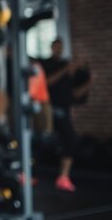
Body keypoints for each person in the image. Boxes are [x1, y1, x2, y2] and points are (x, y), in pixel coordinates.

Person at [40, 38, 81, 192]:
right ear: (52, 47)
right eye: (56, 46)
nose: (59, 49)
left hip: (65, 108)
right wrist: (64, 70)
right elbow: (46, 83)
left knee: (69, 139)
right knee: (67, 137)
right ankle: (61, 176)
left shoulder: (65, 64)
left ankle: (63, 177)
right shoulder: (46, 64)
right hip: (51, 108)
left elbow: (71, 89)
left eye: (61, 47)